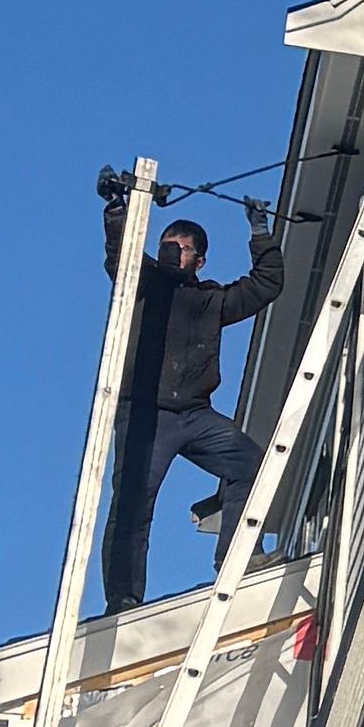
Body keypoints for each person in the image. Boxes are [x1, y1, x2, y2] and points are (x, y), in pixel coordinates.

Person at [98, 181, 287, 605]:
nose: (170, 253)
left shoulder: (210, 299)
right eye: (166, 244)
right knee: (132, 504)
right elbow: (121, 255)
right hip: (146, 414)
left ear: (198, 260)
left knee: (250, 464)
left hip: (195, 415)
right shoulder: (143, 282)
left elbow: (265, 286)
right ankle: (123, 599)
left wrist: (260, 232)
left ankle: (238, 557)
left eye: (179, 248)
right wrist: (116, 206)